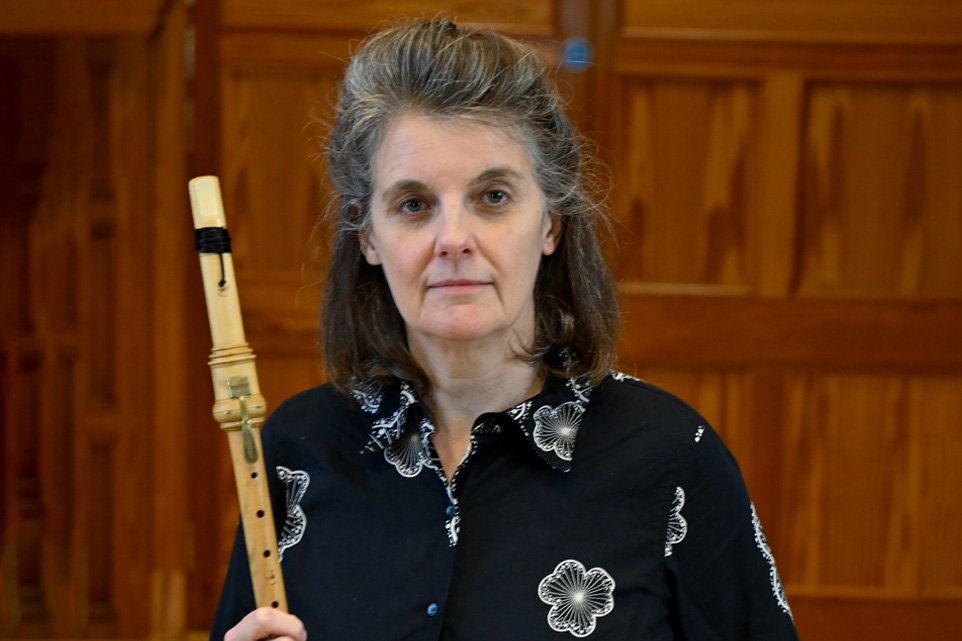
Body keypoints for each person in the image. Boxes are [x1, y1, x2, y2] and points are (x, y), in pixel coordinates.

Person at [211, 18, 800, 641]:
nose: (454, 239)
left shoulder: (673, 459)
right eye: (414, 204)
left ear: (551, 224)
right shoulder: (296, 452)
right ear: (370, 239)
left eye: (493, 196)